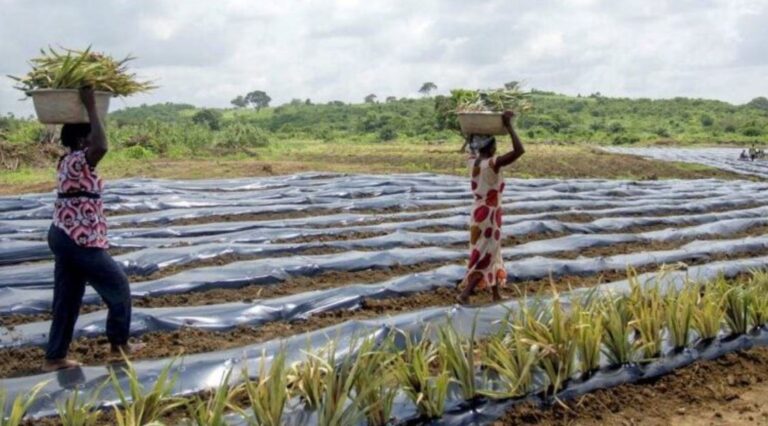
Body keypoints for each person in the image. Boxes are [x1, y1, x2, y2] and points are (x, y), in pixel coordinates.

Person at [43, 87, 143, 372]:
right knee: (118, 285)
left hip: (65, 235)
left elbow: (98, 145)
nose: (94, 139)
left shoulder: (69, 162)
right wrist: (91, 106)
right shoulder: (78, 159)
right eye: (89, 134)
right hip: (78, 239)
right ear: (80, 139)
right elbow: (102, 146)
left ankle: (55, 356)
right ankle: (118, 345)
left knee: (68, 297)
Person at [457, 111, 525, 304]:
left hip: (480, 212)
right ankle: (465, 294)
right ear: (490, 147)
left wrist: (469, 131)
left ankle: (495, 294)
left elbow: (470, 145)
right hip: (488, 215)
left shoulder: (473, 162)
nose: (497, 147)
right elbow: (519, 151)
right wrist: (509, 126)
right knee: (485, 253)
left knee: (491, 251)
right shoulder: (492, 164)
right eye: (494, 143)